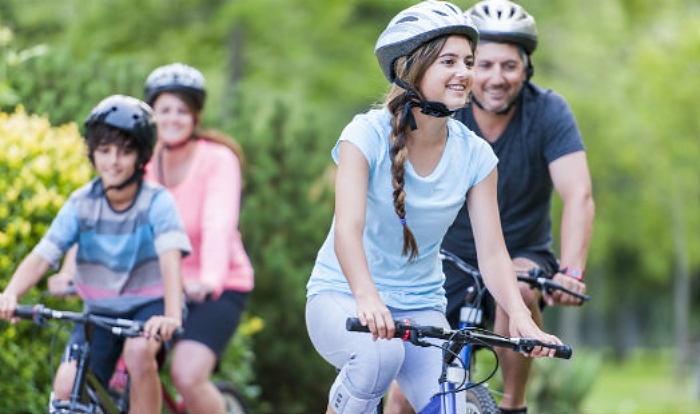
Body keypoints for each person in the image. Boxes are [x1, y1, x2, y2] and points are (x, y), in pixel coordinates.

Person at [304, 2, 562, 413]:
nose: (465, 72)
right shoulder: (363, 135)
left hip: (421, 303)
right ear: (411, 68)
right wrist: (368, 297)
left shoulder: (476, 156)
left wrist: (521, 318)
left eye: (468, 62)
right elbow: (347, 230)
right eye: (449, 61)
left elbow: (493, 252)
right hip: (343, 295)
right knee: (379, 357)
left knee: (452, 402)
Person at [385, 1, 595, 413]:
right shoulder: (442, 114)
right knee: (401, 398)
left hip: (521, 254)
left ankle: (512, 406)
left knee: (515, 288)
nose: (496, 78)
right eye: (484, 65)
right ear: (466, 69)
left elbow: (579, 194)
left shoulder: (549, 112)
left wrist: (571, 270)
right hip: (444, 257)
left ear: (526, 68)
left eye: (509, 66)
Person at [0, 95, 191, 414]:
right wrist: (10, 294)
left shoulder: (157, 202)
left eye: (124, 152)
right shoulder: (81, 203)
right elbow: (43, 254)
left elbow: (171, 261)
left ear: (141, 157)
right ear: (92, 153)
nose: (112, 161)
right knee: (65, 384)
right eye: (104, 151)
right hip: (99, 311)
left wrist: (170, 315)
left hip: (150, 306)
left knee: (138, 353)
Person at [144, 62, 254, 414]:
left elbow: (218, 225)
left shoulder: (217, 160)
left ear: (195, 117)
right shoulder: (140, 162)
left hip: (217, 285)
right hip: (157, 285)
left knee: (187, 375)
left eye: (182, 111)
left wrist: (209, 278)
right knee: (131, 362)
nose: (173, 119)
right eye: (164, 110)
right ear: (151, 115)